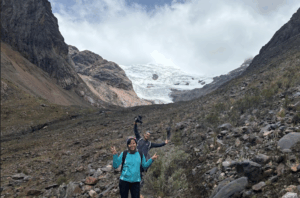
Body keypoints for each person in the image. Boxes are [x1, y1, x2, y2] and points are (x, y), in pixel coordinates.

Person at [133, 116, 169, 189]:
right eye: (146, 134)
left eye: (149, 135)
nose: (147, 135)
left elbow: (158, 145)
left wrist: (164, 143)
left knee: (140, 176)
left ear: (149, 137)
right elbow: (135, 131)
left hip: (142, 162)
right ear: (144, 134)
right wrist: (135, 123)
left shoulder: (149, 144)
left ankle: (139, 188)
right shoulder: (139, 139)